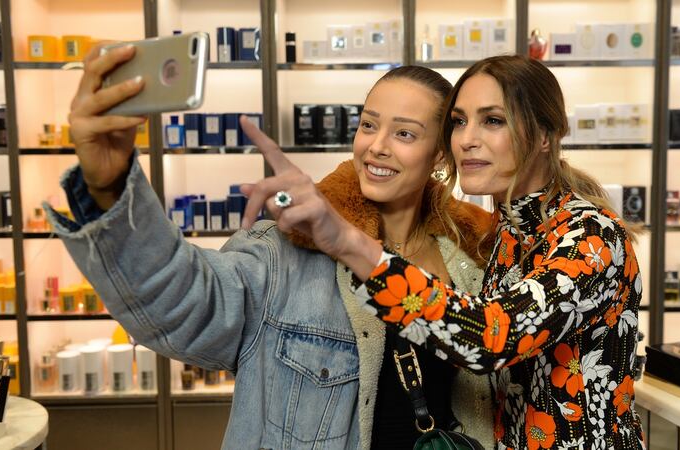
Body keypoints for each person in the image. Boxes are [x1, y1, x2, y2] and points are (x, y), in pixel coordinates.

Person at [48, 43, 495, 450]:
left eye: (404, 134)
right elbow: (180, 302)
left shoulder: (475, 263)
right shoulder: (288, 255)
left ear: (439, 155)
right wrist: (109, 187)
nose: (375, 147)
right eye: (368, 125)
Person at [243, 55, 646, 449]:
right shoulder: (505, 233)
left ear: (544, 136)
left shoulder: (591, 235)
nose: (466, 139)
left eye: (493, 120)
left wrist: (347, 240)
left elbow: (493, 338)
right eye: (459, 122)